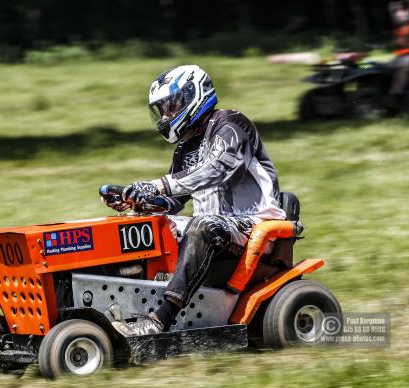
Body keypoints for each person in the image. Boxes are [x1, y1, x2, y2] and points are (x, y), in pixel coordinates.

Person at [105, 65, 286, 336]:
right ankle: (118, 306)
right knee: (143, 225)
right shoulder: (186, 146)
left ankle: (159, 321)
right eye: (161, 109)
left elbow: (217, 169)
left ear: (194, 96)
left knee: (202, 225)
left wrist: (158, 185)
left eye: (170, 106)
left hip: (253, 224)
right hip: (215, 228)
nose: (165, 115)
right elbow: (176, 201)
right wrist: (138, 202)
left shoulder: (232, 125)